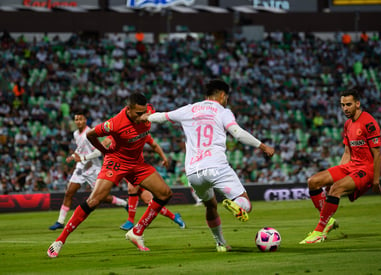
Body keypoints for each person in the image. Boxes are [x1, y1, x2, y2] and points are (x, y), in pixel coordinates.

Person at [142, 79, 275, 252]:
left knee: (210, 205)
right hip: (217, 167)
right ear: (222, 95)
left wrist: (146, 116)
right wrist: (263, 146)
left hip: (193, 172)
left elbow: (162, 117)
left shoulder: (188, 109)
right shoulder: (223, 111)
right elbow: (237, 133)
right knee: (246, 204)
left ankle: (220, 243)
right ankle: (237, 205)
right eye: (226, 96)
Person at [47, 93, 174, 258]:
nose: (143, 117)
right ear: (128, 110)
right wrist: (103, 150)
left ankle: (137, 231)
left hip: (137, 163)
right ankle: (59, 241)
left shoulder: (148, 111)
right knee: (94, 201)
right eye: (138, 114)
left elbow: (160, 118)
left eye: (144, 112)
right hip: (116, 161)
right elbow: (91, 134)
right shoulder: (114, 124)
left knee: (165, 193)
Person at [300, 89, 381, 244]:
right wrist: (338, 174)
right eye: (342, 105)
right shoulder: (347, 124)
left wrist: (376, 181)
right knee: (313, 181)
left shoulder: (369, 123)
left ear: (357, 104)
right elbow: (347, 152)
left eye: (348, 104)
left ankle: (319, 232)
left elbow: (377, 154)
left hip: (366, 170)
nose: (345, 108)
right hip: (351, 166)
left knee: (336, 189)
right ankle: (328, 221)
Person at [49, 112, 127, 230]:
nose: (78, 122)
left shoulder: (90, 133)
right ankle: (60, 221)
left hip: (93, 169)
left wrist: (83, 158)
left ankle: (124, 203)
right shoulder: (76, 134)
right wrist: (73, 155)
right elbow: (80, 148)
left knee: (101, 197)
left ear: (85, 120)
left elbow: (98, 152)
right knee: (69, 192)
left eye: (80, 119)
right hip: (81, 168)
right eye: (76, 119)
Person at [119, 134, 186, 231]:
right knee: (150, 202)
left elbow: (154, 144)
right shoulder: (119, 132)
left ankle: (130, 221)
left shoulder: (140, 133)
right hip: (126, 169)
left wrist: (163, 157)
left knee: (132, 188)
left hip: (136, 168)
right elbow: (108, 142)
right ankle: (174, 217)